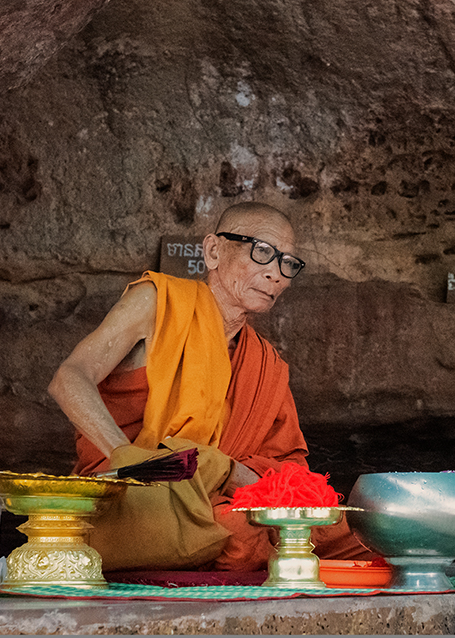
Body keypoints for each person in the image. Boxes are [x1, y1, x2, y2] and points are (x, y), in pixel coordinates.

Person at [48, 201, 372, 571]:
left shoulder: (264, 362)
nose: (277, 275)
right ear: (214, 251)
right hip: (135, 491)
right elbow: (70, 378)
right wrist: (134, 462)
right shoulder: (161, 303)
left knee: (346, 525)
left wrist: (227, 471)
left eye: (288, 263)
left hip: (217, 494)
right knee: (237, 531)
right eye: (263, 252)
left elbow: (289, 465)